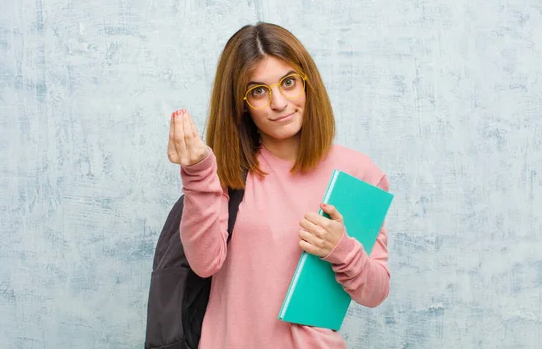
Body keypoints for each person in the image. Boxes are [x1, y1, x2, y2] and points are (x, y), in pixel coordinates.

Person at [167, 22, 390, 349]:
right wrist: (198, 174)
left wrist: (341, 249)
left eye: (288, 83)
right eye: (258, 91)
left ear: (307, 83)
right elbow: (204, 263)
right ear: (240, 104)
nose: (279, 103)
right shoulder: (229, 174)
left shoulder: (358, 173)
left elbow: (375, 292)